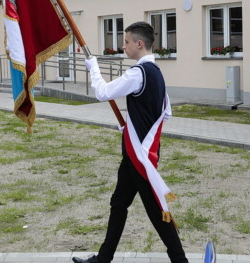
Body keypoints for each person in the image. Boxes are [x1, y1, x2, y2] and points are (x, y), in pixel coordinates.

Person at [73, 22, 187, 263]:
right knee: (119, 203)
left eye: (125, 42)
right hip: (137, 150)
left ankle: (181, 260)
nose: (122, 46)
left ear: (139, 43)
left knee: (157, 212)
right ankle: (104, 257)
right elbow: (165, 112)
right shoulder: (157, 72)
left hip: (139, 155)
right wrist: (132, 126)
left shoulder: (139, 73)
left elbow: (102, 92)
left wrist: (92, 66)